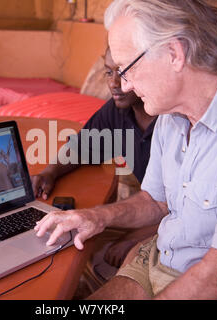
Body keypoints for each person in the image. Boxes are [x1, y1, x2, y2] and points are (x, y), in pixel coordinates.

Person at [35, 0, 217, 300]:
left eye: (126, 69)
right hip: (163, 258)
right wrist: (96, 217)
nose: (123, 85)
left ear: (174, 54)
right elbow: (156, 200)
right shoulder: (170, 113)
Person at [32, 47, 158, 292]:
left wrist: (137, 239)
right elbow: (82, 147)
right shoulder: (118, 110)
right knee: (74, 248)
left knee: (101, 258)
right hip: (154, 211)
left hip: (178, 225)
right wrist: (51, 171)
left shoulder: (175, 118)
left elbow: (186, 207)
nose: (113, 83)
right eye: (108, 72)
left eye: (122, 72)